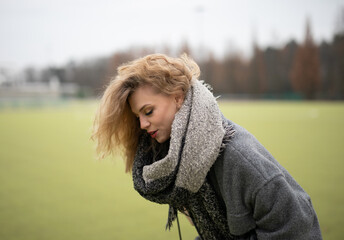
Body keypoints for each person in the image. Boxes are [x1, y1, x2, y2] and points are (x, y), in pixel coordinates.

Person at [91, 53, 322, 240]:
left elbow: (297, 228)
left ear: (178, 97)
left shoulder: (237, 156)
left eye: (148, 111)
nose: (142, 124)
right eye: (137, 117)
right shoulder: (186, 162)